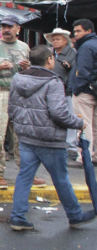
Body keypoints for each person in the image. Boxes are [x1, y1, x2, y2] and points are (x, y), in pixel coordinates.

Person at [7, 45, 95, 231]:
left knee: (24, 176)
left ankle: (18, 217)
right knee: (61, 178)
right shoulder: (53, 81)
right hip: (50, 138)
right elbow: (59, 113)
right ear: (49, 60)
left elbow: (12, 108)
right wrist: (78, 123)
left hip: (26, 136)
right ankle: (75, 215)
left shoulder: (18, 78)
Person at [0, 15, 35, 189]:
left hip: (20, 95)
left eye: (10, 26)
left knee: (24, 137)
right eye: (3, 26)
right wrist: (0, 67)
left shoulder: (24, 47)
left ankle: (27, 174)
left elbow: (31, 73)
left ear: (17, 29)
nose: (6, 29)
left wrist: (27, 68)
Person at [46, 28, 78, 156]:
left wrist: (68, 68)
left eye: (58, 39)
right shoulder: (50, 53)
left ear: (65, 41)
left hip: (67, 90)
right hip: (51, 89)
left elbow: (75, 72)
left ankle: (71, 145)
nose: (55, 42)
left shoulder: (72, 54)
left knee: (69, 116)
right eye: (53, 40)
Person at [72, 20, 97, 157]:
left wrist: (77, 90)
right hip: (95, 89)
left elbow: (83, 71)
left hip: (85, 91)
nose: (75, 34)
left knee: (84, 125)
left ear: (88, 31)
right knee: (95, 126)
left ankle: (84, 156)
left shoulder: (86, 47)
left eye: (78, 31)